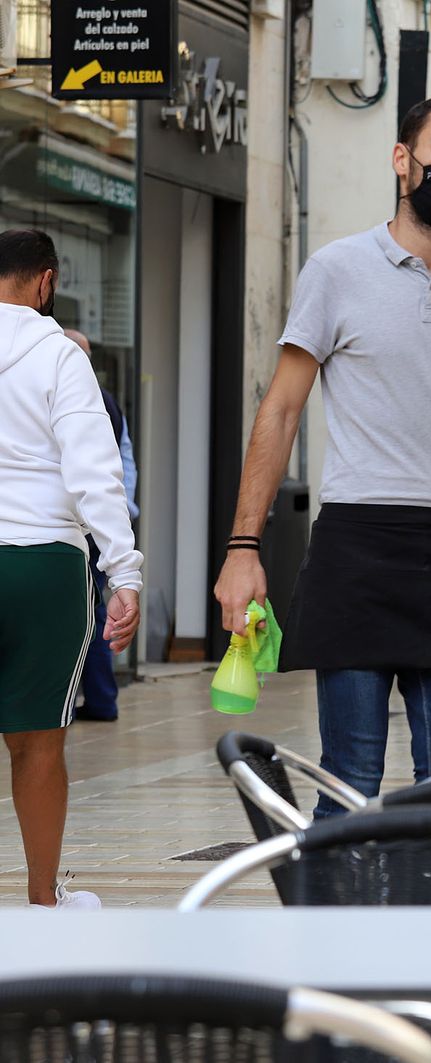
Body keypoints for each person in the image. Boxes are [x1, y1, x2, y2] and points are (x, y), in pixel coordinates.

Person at [213, 96, 431, 814]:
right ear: (402, 158)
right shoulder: (336, 269)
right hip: (355, 546)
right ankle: (338, 927)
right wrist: (243, 547)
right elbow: (282, 408)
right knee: (348, 781)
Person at [0, 229, 142, 909]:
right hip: (44, 565)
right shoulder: (60, 356)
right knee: (38, 744)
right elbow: (94, 472)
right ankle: (42, 901)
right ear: (46, 281)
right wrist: (125, 570)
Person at [63, 329, 138, 723]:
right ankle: (101, 700)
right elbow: (125, 463)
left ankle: (90, 700)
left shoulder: (80, 400)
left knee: (85, 611)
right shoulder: (105, 400)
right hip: (101, 524)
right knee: (91, 608)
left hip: (78, 527)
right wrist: (123, 515)